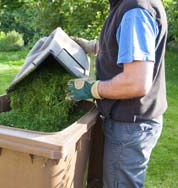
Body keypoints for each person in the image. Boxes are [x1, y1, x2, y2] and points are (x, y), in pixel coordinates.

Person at [66, 0, 168, 187]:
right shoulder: (128, 6)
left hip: (130, 124)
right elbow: (121, 47)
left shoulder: (135, 10)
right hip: (130, 120)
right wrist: (90, 46)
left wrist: (92, 89)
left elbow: (136, 82)